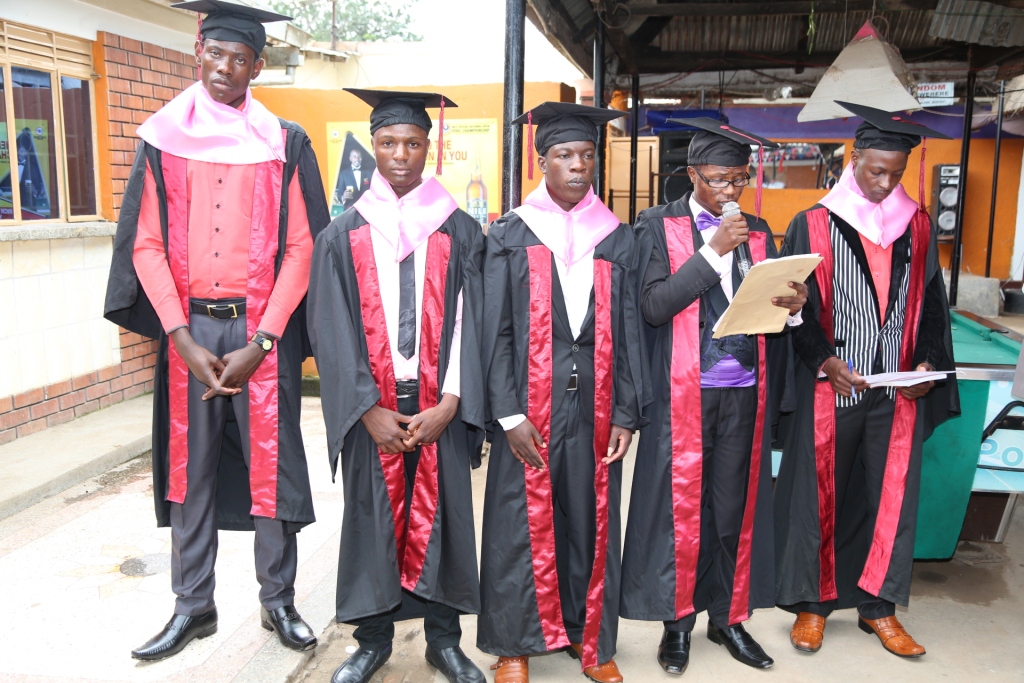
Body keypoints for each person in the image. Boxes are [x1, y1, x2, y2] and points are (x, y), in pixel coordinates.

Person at [104, 0, 330, 661]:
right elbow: (145, 244)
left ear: (257, 67)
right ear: (197, 53)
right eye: (215, 54)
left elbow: (303, 248)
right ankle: (192, 606)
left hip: (262, 331)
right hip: (190, 332)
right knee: (189, 472)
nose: (225, 68)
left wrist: (265, 341)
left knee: (271, 469)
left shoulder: (284, 142)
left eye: (240, 58)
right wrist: (178, 335)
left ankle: (278, 599)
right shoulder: (162, 139)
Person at [307, 89, 487, 683]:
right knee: (373, 523)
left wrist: (453, 401)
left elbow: (474, 325)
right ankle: (372, 642)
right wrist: (366, 409)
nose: (401, 155)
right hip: (374, 408)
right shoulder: (341, 234)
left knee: (445, 521)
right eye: (388, 143)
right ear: (373, 147)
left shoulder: (460, 230)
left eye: (412, 143)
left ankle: (444, 642)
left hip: (440, 406)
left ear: (429, 147)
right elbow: (330, 330)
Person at [621, 118, 806, 674]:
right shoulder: (656, 227)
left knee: (733, 511)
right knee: (682, 513)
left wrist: (792, 306)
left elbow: (770, 309)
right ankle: (677, 626)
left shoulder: (760, 230)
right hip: (683, 395)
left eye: (739, 179)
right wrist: (712, 250)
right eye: (719, 179)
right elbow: (653, 306)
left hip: (745, 391)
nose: (730, 191)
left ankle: (728, 619)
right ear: (692, 174)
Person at [775, 101, 959, 658]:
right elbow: (794, 309)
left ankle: (879, 607)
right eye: (877, 171)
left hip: (895, 389)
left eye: (896, 174)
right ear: (854, 159)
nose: (885, 184)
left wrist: (927, 365)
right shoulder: (811, 222)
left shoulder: (917, 224)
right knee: (821, 496)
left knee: (890, 497)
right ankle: (813, 605)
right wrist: (823, 361)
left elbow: (932, 307)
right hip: (834, 385)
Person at [476, 102, 645, 683]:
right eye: (565, 155)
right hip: (528, 406)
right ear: (542, 161)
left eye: (587, 155)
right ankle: (514, 645)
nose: (578, 165)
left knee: (590, 521)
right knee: (516, 523)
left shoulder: (617, 237)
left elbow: (629, 331)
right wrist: (506, 412)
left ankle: (587, 637)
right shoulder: (511, 233)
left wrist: (626, 411)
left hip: (595, 404)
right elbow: (494, 331)